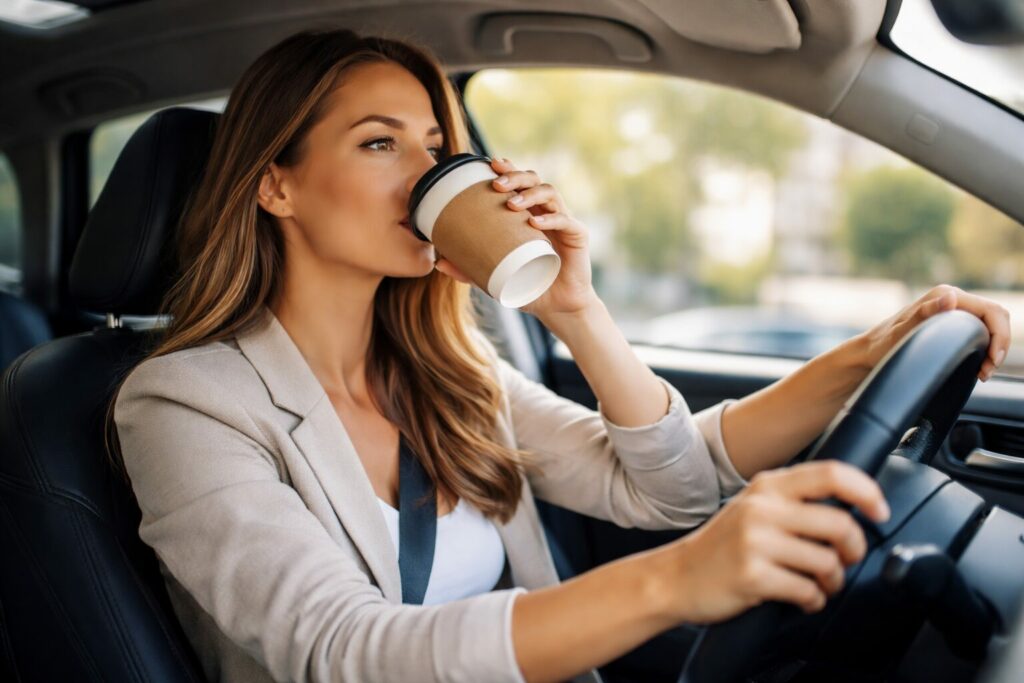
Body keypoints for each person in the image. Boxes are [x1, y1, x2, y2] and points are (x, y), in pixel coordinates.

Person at [109, 28, 1011, 683]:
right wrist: (674, 581)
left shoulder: (448, 368)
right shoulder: (185, 402)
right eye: (379, 143)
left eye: (436, 147)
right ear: (277, 183)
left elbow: (672, 487)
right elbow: (343, 652)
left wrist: (574, 307)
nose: (425, 175)